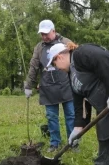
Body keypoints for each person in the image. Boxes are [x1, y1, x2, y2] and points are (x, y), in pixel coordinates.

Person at [24, 20, 75, 152]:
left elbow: (75, 62)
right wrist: (28, 86)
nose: (44, 37)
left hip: (66, 85)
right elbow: (34, 67)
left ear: (53, 30)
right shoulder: (39, 48)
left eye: (46, 34)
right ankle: (54, 143)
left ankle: (72, 143)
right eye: (42, 34)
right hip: (47, 87)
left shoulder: (66, 43)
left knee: (71, 115)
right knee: (51, 116)